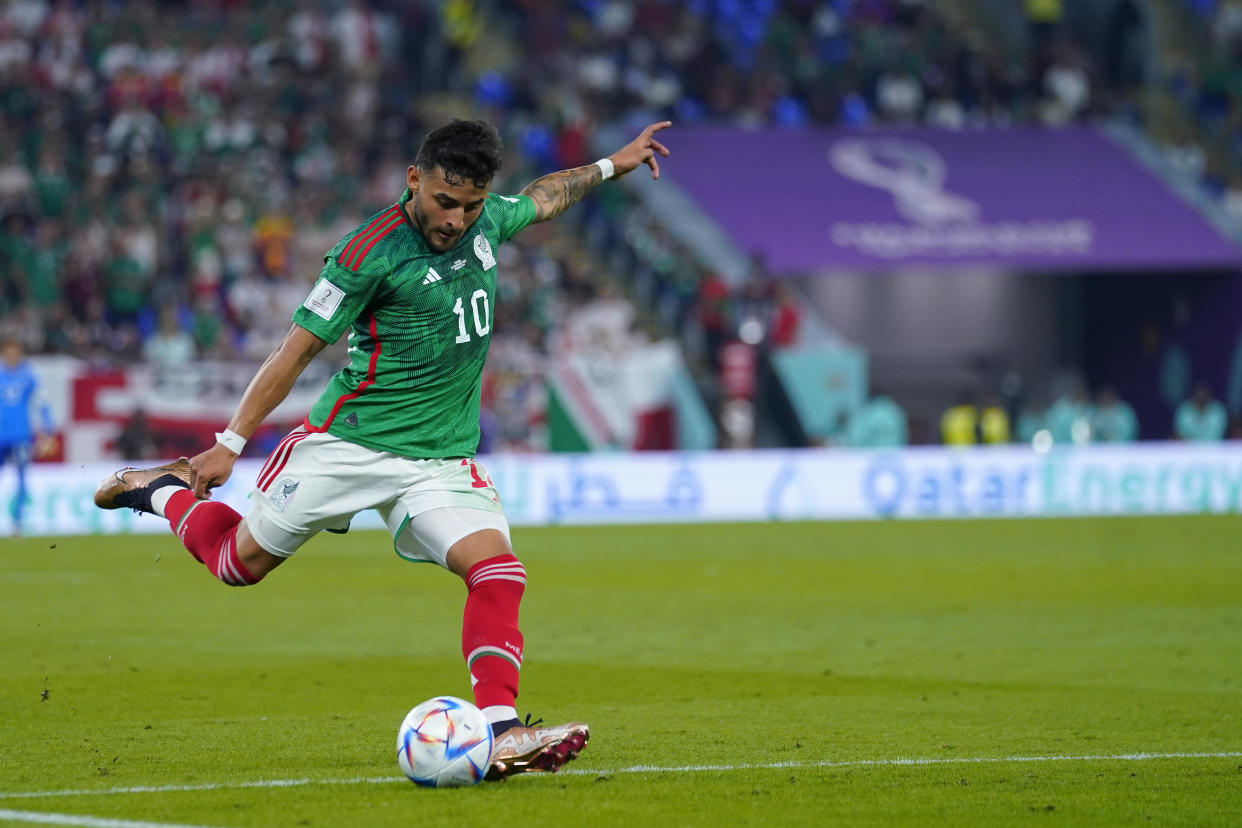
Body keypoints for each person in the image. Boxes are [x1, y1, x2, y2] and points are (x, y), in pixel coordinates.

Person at [94, 118, 672, 780]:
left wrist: (613, 165)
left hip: (440, 459)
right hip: (348, 445)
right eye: (444, 203)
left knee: (499, 572)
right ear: (415, 180)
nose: (456, 220)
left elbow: (546, 196)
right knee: (235, 564)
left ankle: (503, 731)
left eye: (471, 206)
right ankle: (159, 489)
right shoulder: (367, 252)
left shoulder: (489, 222)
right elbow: (297, 348)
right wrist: (228, 443)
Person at [1, 337, 54, 535]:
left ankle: (18, 522)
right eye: (8, 350)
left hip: (20, 435)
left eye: (15, 350)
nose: (11, 354)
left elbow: (42, 403)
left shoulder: (29, 376)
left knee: (22, 478)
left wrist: (47, 429)